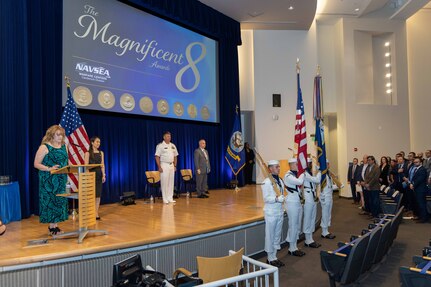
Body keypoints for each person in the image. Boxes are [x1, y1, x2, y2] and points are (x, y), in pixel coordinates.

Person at [33, 125, 69, 235]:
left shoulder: (64, 146)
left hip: (61, 178)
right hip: (48, 180)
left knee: (59, 202)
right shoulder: (44, 147)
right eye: (58, 134)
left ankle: (55, 226)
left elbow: (66, 161)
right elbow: (36, 164)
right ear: (51, 135)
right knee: (51, 202)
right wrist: (49, 168)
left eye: (62, 135)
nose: (60, 137)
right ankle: (51, 227)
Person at [262, 160, 285, 267]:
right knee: (270, 236)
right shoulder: (266, 182)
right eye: (276, 167)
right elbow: (266, 198)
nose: (279, 168)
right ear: (270, 169)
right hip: (271, 212)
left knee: (277, 235)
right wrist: (276, 198)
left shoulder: (280, 180)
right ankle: (270, 258)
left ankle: (274, 256)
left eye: (279, 167)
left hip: (279, 211)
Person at [284, 158, 305, 257]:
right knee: (293, 225)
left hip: (297, 202)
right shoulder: (288, 176)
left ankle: (294, 246)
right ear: (291, 165)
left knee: (297, 225)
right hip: (291, 203)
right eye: (297, 164)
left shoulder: (295, 174)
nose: (298, 166)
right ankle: (292, 248)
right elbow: (299, 182)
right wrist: (303, 173)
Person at [84, 136, 106, 220]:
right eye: (97, 142)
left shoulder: (101, 153)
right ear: (92, 143)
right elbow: (86, 166)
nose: (98, 143)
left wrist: (104, 175)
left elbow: (102, 165)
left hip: (99, 175)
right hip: (91, 175)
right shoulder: (88, 153)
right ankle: (90, 213)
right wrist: (88, 176)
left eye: (99, 142)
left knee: (98, 195)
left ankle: (96, 213)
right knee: (91, 195)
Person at [155, 131, 178, 204]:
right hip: (164, 165)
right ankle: (164, 198)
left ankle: (170, 197)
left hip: (171, 165)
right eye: (168, 136)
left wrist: (175, 165)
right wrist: (159, 166)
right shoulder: (160, 145)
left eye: (170, 136)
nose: (169, 137)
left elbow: (175, 156)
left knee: (171, 182)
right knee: (164, 182)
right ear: (164, 137)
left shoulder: (173, 145)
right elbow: (157, 156)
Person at [303, 158, 321, 248]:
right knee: (308, 217)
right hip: (307, 195)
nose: (310, 165)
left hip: (312, 195)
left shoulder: (310, 172)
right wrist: (320, 171)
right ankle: (307, 239)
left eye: (310, 163)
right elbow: (317, 180)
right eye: (309, 163)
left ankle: (310, 238)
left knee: (312, 217)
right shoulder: (304, 173)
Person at [320, 160, 336, 239]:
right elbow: (319, 186)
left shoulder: (328, 173)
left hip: (330, 195)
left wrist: (337, 187)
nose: (328, 165)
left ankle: (326, 230)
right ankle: (324, 232)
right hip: (325, 196)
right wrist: (321, 195)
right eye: (326, 164)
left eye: (328, 164)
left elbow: (330, 185)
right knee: (325, 214)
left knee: (328, 214)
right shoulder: (321, 174)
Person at [410, 157, 429, 223]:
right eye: (414, 162)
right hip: (417, 189)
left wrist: (413, 185)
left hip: (421, 189)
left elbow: (420, 179)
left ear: (420, 162)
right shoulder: (416, 169)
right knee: (418, 204)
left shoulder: (422, 169)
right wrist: (411, 184)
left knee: (421, 204)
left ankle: (424, 218)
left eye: (417, 162)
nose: (415, 163)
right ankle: (420, 216)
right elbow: (414, 178)